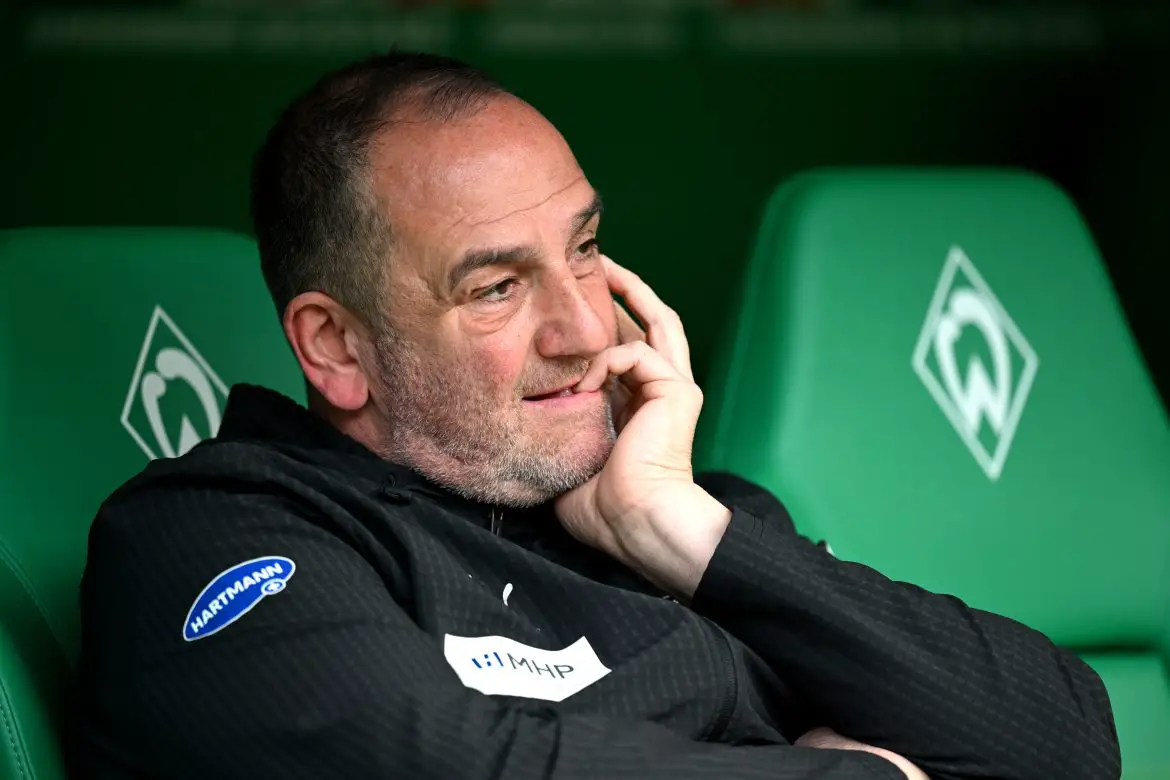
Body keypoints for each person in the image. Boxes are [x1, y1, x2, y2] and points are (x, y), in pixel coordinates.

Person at [76, 51, 1120, 780]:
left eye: (583, 247)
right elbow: (441, 769)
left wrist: (679, 528)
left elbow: (1066, 745)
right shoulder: (216, 531)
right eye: (497, 287)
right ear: (336, 348)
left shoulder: (656, 505)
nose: (584, 326)